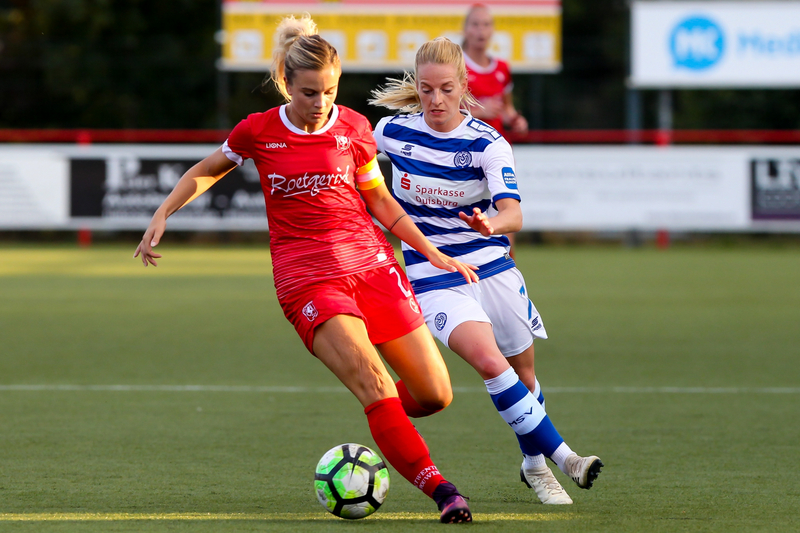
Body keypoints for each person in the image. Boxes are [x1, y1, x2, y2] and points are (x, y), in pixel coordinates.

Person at [133, 15, 476, 523]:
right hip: (307, 278)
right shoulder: (259, 130)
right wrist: (163, 212)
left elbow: (378, 199)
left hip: (371, 265)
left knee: (433, 395)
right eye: (310, 93)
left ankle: (384, 422)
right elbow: (207, 170)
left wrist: (431, 250)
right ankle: (443, 491)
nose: (321, 105)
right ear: (286, 84)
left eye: (330, 92)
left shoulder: (355, 128)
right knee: (375, 383)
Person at [369, 37, 603, 505]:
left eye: (446, 89)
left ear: (463, 87)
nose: (436, 100)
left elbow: (513, 214)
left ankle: (533, 465)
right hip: (433, 276)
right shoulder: (389, 132)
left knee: (526, 376)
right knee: (491, 363)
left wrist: (489, 222)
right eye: (427, 89)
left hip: (493, 268)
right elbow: (348, 163)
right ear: (416, 87)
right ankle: (566, 458)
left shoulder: (487, 142)